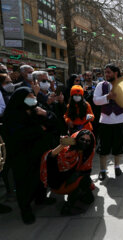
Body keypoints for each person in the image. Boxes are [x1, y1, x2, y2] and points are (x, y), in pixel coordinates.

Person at [3, 87, 58, 224]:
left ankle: (41, 198)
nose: (32, 98)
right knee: (24, 183)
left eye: (33, 95)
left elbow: (54, 123)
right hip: (22, 155)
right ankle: (25, 209)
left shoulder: (37, 108)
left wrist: (46, 115)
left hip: (40, 152)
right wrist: (39, 129)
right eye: (29, 96)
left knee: (40, 178)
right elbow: (17, 135)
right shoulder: (13, 114)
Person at [40, 130, 95, 215]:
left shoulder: (85, 154)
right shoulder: (68, 152)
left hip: (70, 181)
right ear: (76, 139)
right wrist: (61, 146)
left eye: (88, 141)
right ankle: (67, 208)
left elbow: (86, 170)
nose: (84, 142)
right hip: (59, 185)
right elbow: (51, 156)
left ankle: (76, 194)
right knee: (85, 180)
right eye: (82, 139)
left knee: (89, 199)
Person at [93, 64, 123, 181]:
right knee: (103, 147)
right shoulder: (101, 85)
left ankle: (117, 166)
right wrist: (107, 97)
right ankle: (103, 170)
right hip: (105, 121)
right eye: (105, 72)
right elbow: (95, 100)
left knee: (118, 146)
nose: (106, 74)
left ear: (115, 73)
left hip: (120, 120)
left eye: (109, 72)